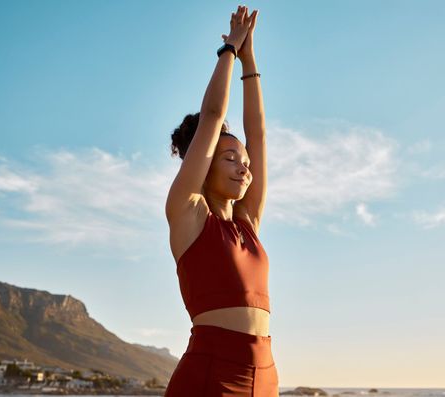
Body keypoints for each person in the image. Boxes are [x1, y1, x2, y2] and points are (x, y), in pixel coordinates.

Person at [164, 5, 278, 396]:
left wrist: (252, 60)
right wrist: (230, 49)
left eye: (245, 163)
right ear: (204, 162)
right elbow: (213, 115)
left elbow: (258, 135)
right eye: (229, 158)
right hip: (209, 375)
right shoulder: (188, 213)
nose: (244, 168)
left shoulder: (249, 222)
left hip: (265, 374)